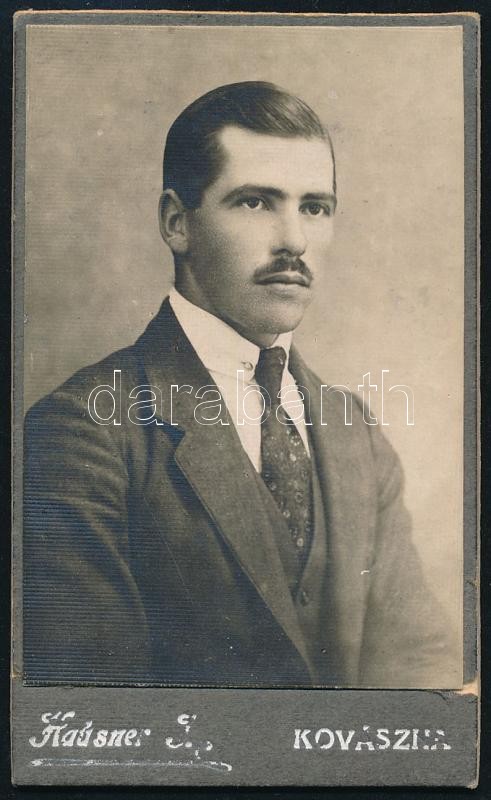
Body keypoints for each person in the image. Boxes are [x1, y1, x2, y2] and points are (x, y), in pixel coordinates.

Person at [23, 81, 457, 688]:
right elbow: (99, 716)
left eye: (314, 207)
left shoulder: (355, 435)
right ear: (177, 222)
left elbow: (421, 675)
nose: (294, 241)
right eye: (255, 202)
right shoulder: (83, 431)